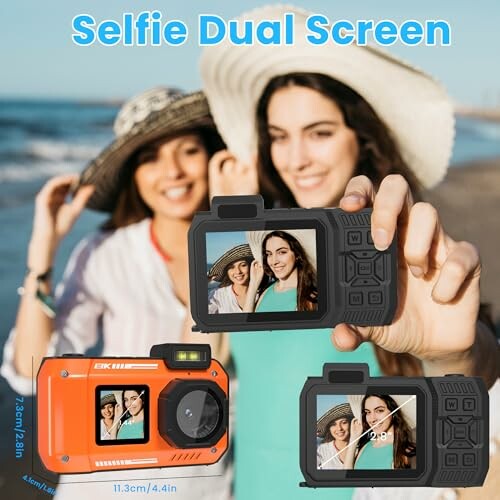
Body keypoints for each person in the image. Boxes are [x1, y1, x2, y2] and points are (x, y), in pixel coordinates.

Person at [200, 5, 499, 500]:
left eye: (319, 132)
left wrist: (458, 361)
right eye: (278, 137)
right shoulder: (257, 261)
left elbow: (477, 481)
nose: (295, 159)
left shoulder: (411, 268)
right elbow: (201, 390)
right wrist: (230, 219)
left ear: (361, 137)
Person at [1, 87, 231, 500]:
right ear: (133, 176)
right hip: (108, 485)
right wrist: (42, 258)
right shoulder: (108, 253)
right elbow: (32, 372)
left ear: (215, 156)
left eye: (188, 151)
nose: (173, 171)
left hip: (209, 485)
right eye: (150, 158)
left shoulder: (253, 251)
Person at [244, 230, 317, 312]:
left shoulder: (310, 297)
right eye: (269, 254)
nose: (274, 261)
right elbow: (246, 324)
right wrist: (253, 284)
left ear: (297, 254)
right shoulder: (266, 291)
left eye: (282, 252)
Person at [346, 395, 416, 470]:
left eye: (379, 411)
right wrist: (353, 440)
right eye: (368, 412)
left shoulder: (408, 451)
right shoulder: (365, 446)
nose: (372, 419)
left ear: (393, 413)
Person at [207, 243, 253, 313]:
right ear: (227, 271)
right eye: (231, 267)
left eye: (243, 265)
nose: (238, 271)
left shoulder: (262, 293)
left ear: (251, 266)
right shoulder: (217, 295)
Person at [316, 402, 354, 470]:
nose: (339, 428)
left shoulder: (361, 448)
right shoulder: (321, 450)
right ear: (329, 429)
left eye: (344, 422)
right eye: (333, 424)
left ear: (351, 423)